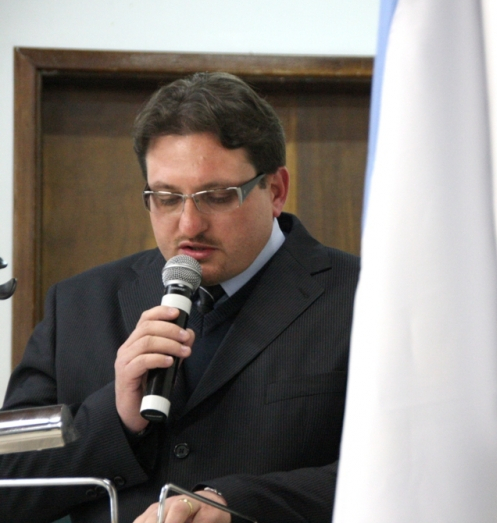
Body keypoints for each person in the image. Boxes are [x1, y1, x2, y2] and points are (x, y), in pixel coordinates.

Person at [0, 72, 359, 523]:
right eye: (167, 198)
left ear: (275, 190)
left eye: (217, 196)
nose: (189, 225)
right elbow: (7, 483)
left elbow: (411, 471)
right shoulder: (76, 305)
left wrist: (239, 505)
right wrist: (115, 419)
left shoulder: (364, 299)